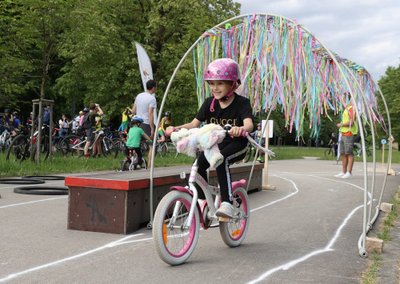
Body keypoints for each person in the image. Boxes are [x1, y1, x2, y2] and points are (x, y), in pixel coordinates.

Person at [168, 58, 254, 218]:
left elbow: (249, 124)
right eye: (212, 84)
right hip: (215, 144)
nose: (215, 88)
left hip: (237, 143)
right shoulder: (210, 103)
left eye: (220, 83)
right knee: (199, 164)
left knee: (221, 160)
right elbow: (194, 124)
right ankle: (202, 201)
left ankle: (227, 203)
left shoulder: (242, 103)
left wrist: (240, 128)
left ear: (232, 84)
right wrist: (175, 129)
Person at [132, 79, 157, 167]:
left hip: (137, 123)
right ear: (153, 88)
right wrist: (152, 128)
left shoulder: (139, 96)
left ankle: (135, 162)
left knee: (136, 143)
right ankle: (150, 167)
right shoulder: (152, 99)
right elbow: (150, 114)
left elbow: (133, 110)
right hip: (146, 123)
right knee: (151, 145)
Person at [334, 98, 358, 179]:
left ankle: (349, 172)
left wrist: (341, 124)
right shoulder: (347, 108)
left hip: (349, 133)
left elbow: (351, 122)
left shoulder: (352, 109)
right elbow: (342, 100)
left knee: (349, 153)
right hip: (343, 133)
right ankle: (343, 171)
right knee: (343, 153)